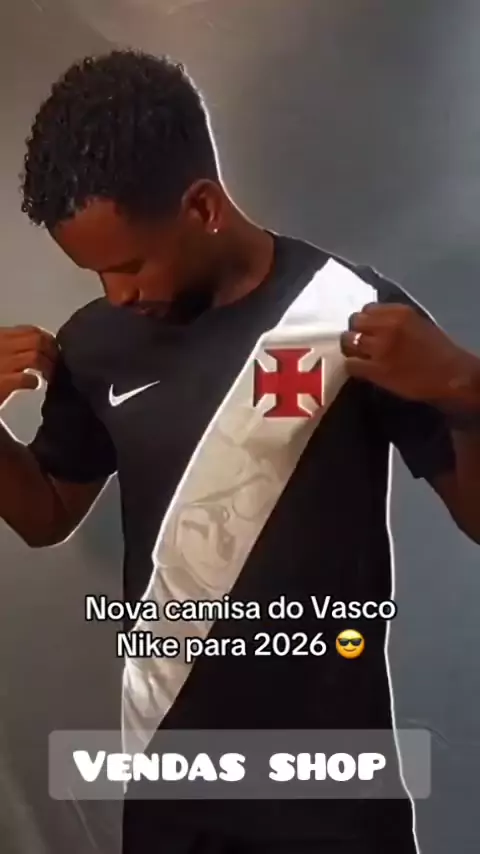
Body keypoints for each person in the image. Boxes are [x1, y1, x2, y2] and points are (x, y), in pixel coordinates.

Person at [1, 49, 480, 854]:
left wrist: (467, 392)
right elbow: (45, 513)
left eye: (130, 264)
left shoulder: (349, 314)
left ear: (202, 206)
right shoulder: (97, 344)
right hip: (170, 787)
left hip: (331, 794)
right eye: (95, 273)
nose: (117, 294)